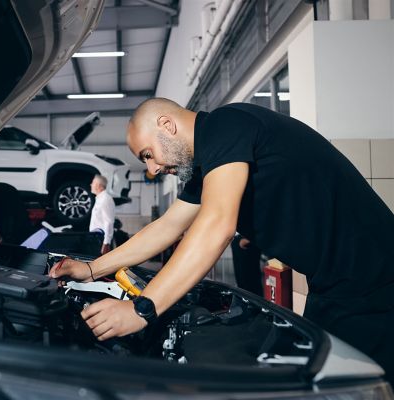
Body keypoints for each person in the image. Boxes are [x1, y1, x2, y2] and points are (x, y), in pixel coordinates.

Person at [49, 98, 394, 380]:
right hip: (337, 285)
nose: (152, 170)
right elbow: (168, 226)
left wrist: (142, 309)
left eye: (147, 155)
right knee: (312, 378)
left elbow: (217, 224)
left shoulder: (226, 125)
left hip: (376, 280)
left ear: (167, 126)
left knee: (346, 385)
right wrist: (92, 269)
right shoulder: (210, 163)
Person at [89, 174, 115, 255]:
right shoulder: (99, 199)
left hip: (101, 241)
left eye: (93, 183)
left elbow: (108, 222)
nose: (91, 185)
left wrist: (106, 243)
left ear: (99, 186)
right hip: (96, 239)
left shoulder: (105, 199)